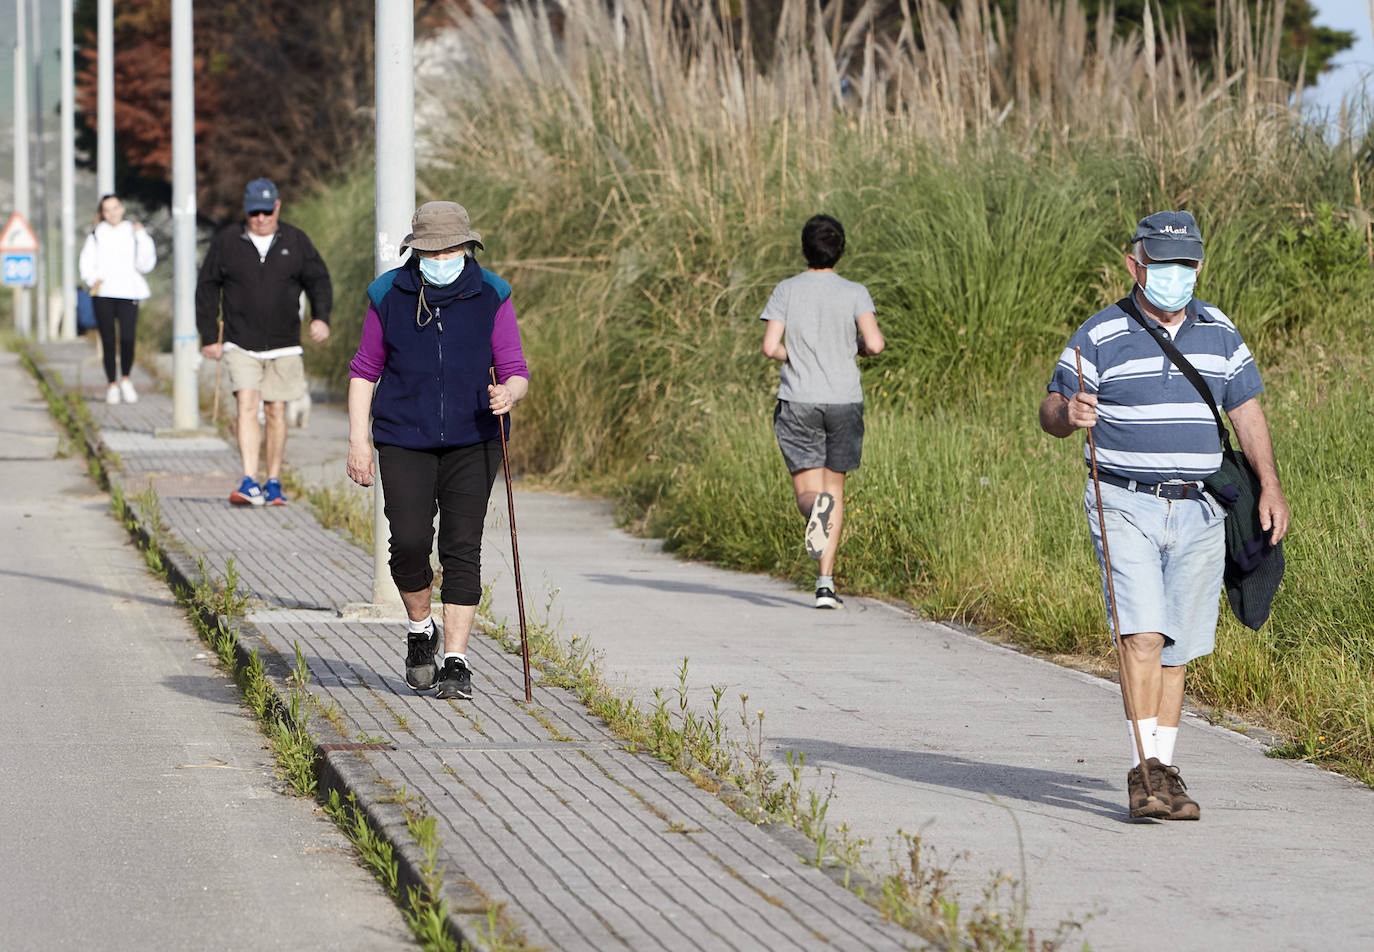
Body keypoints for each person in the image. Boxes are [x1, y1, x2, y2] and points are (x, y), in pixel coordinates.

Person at [1039, 210, 1290, 821]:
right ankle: (1145, 770)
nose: (1175, 276)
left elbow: (1246, 413)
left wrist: (1270, 485)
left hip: (1201, 506)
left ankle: (1163, 771)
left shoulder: (1221, 333)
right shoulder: (1097, 334)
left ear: (1198, 267)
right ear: (1136, 265)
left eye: (1186, 265)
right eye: (1162, 264)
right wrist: (1067, 415)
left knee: (1177, 645)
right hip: (1124, 501)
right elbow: (1050, 407)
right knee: (1143, 634)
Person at [345, 202, 529, 701]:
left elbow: (515, 366)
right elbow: (365, 370)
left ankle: (456, 661)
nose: (442, 257)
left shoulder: (491, 293)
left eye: (451, 248)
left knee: (461, 547)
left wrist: (509, 393)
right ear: (416, 250)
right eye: (432, 250)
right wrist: (359, 440)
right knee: (406, 543)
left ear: (467, 247)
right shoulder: (389, 293)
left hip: (475, 439)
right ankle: (419, 630)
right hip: (404, 437)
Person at [760, 214, 885, 609]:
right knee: (836, 492)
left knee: (810, 495)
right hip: (843, 400)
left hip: (799, 399)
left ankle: (816, 511)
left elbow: (769, 347)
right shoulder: (855, 292)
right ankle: (825, 586)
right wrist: (856, 350)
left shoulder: (787, 290)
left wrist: (791, 354)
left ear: (804, 249)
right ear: (840, 249)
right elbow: (876, 344)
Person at [197, 178, 332, 506]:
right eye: (254, 211)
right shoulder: (228, 241)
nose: (260, 218)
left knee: (276, 410)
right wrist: (207, 335)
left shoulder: (295, 240)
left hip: (284, 343)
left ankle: (273, 480)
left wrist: (320, 317)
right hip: (240, 341)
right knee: (246, 403)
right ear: (246, 210)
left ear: (277, 207)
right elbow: (207, 286)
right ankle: (249, 480)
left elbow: (318, 279)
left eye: (266, 211)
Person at [79, 194, 157, 404]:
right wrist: (94, 279)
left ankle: (126, 378)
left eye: (115, 208)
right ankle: (111, 384)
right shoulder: (96, 234)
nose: (112, 213)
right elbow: (86, 263)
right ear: (102, 213)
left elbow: (145, 263)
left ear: (122, 208)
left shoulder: (132, 231)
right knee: (107, 339)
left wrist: (142, 236)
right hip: (104, 293)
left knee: (128, 338)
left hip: (128, 292)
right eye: (107, 209)